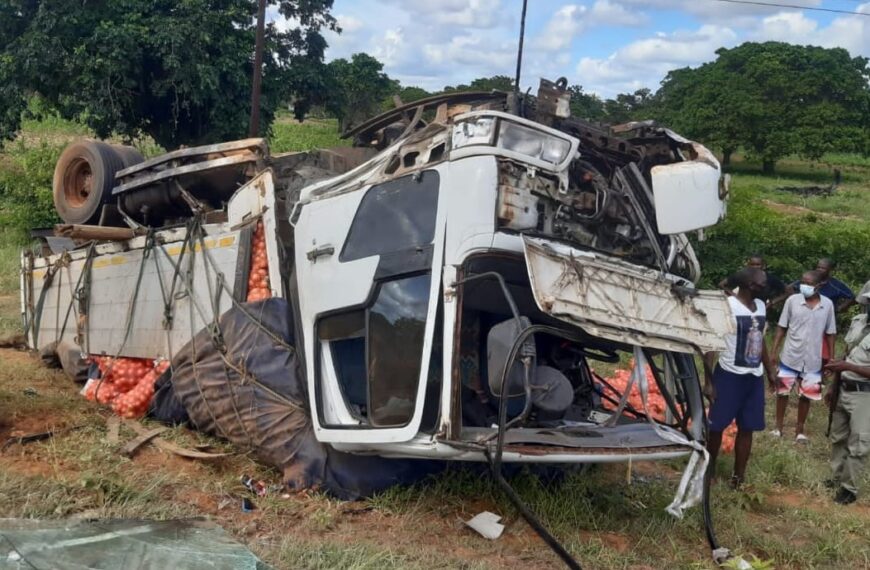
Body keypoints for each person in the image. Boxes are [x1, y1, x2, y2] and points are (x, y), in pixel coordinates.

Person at [705, 267, 777, 488]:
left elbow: (761, 339)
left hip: (753, 377)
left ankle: (738, 478)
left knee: (748, 427)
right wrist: (709, 382)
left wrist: (769, 370)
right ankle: (709, 471)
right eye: (761, 283)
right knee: (716, 427)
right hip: (729, 375)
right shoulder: (728, 307)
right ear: (749, 285)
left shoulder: (762, 306)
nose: (765, 287)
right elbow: (712, 344)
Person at [770, 270, 836, 442]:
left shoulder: (827, 305)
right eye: (802, 282)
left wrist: (831, 359)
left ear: (819, 286)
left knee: (806, 396)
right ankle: (778, 427)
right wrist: (773, 351)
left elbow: (830, 333)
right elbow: (781, 327)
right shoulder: (792, 301)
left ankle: (800, 430)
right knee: (782, 392)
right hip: (790, 356)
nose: (803, 286)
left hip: (813, 360)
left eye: (809, 283)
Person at [823, 280, 870, 505]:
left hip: (865, 394)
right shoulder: (859, 322)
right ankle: (836, 477)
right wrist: (833, 385)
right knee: (838, 436)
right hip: (844, 387)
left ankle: (849, 488)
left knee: (858, 441)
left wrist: (848, 368)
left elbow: (849, 364)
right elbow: (847, 354)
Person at [719, 254, 788, 308]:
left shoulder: (770, 278)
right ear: (748, 265)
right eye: (752, 264)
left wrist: (771, 303)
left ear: (763, 266)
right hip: (742, 309)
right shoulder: (742, 276)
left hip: (760, 312)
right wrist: (734, 296)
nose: (755, 267)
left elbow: (787, 291)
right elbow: (722, 284)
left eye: (758, 264)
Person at [788, 258, 855, 314]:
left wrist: (840, 308)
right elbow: (790, 288)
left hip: (826, 316)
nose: (819, 270)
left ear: (830, 270)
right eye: (818, 267)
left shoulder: (835, 285)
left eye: (823, 268)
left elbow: (851, 297)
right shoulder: (808, 280)